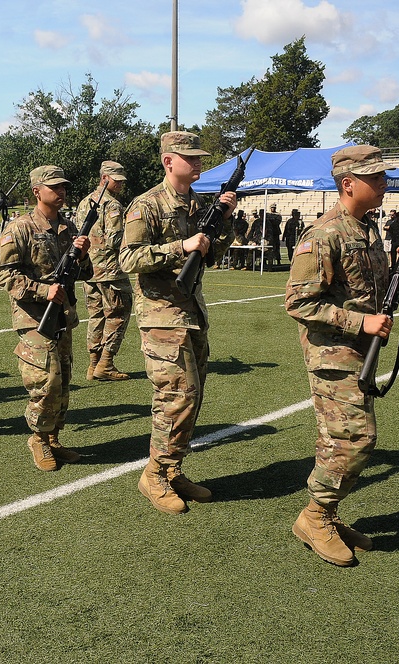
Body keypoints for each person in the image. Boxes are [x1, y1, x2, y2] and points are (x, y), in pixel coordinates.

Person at [285, 145, 399, 567]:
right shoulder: (324, 234)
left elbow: (365, 289)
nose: (383, 183)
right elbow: (298, 303)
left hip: (359, 350)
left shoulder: (367, 228)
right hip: (333, 351)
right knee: (357, 438)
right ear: (348, 184)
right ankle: (315, 516)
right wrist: (361, 323)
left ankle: (325, 514)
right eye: (374, 177)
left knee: (338, 438)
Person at [119, 130, 236, 515]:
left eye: (200, 157)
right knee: (176, 396)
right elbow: (129, 259)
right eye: (192, 157)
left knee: (193, 395)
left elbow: (212, 255)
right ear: (169, 161)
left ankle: (172, 470)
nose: (199, 162)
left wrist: (224, 221)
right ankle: (154, 475)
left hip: (191, 313)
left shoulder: (199, 203)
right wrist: (179, 247)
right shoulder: (147, 204)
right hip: (161, 315)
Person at [0, 165, 92, 471]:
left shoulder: (68, 227)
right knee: (45, 382)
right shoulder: (20, 228)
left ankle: (52, 438)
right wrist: (42, 290)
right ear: (37, 191)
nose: (61, 192)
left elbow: (85, 273)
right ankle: (38, 439)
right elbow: (3, 274)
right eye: (54, 187)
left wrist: (83, 255)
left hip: (62, 317)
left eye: (63, 187)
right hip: (34, 318)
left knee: (62, 382)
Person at [82, 160, 133, 382]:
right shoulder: (113, 205)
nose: (120, 184)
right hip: (111, 270)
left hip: (89, 269)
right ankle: (106, 363)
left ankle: (93, 364)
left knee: (95, 316)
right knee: (118, 314)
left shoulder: (85, 202)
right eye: (116, 180)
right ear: (104, 178)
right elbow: (115, 240)